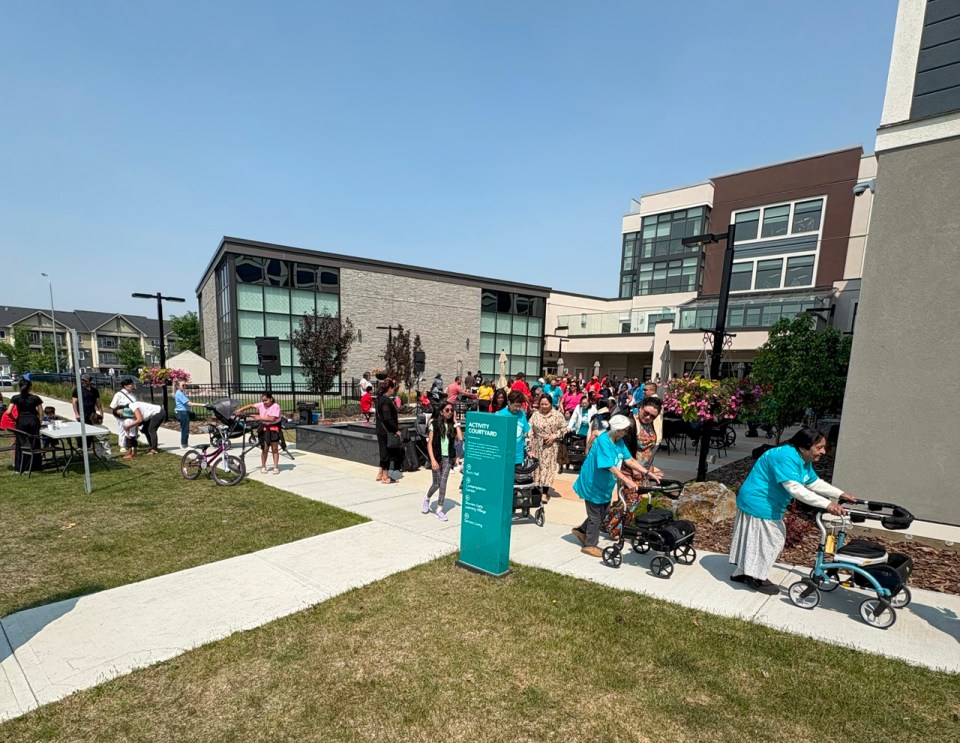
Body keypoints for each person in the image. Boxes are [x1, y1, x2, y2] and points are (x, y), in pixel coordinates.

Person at [729, 427, 855, 594]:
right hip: (758, 501)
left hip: (765, 503)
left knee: (757, 540)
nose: (823, 451)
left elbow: (812, 482)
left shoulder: (802, 459)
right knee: (772, 541)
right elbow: (795, 488)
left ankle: (741, 573)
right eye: (819, 447)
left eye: (824, 447)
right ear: (803, 446)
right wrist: (827, 505)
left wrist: (840, 494)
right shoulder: (785, 457)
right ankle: (756, 577)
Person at [572, 414, 661, 557]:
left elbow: (629, 460)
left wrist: (647, 473)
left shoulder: (618, 441)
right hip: (592, 482)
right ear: (617, 430)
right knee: (595, 516)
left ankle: (582, 531)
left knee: (604, 511)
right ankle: (589, 545)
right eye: (624, 430)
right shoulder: (603, 441)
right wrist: (628, 481)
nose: (626, 433)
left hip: (604, 483)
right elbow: (610, 466)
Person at [422, 401, 463, 522]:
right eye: (447, 410)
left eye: (451, 410)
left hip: (447, 458)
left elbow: (460, 438)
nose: (450, 412)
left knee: (443, 483)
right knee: (436, 484)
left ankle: (439, 509)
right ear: (441, 412)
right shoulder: (434, 424)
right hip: (437, 457)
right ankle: (427, 498)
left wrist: (456, 422)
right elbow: (429, 444)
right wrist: (433, 460)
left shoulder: (451, 425)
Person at [528, 395, 567, 498]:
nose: (544, 406)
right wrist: (530, 440)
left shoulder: (557, 415)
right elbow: (529, 427)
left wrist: (554, 436)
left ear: (551, 404)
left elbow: (564, 429)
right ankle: (536, 489)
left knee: (548, 468)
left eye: (546, 404)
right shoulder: (536, 414)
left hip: (551, 445)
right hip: (537, 445)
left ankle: (545, 492)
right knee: (537, 468)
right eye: (542, 404)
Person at [237, 393, 282, 474]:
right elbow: (251, 405)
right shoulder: (261, 405)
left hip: (273, 428)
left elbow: (272, 419)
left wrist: (259, 417)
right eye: (263, 400)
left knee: (274, 448)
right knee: (265, 448)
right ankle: (263, 466)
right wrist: (240, 410)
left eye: (266, 400)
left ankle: (276, 467)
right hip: (264, 428)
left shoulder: (276, 406)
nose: (264, 402)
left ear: (271, 399)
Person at [11, 379, 44, 472]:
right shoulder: (35, 398)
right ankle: (34, 466)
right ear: (30, 388)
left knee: (21, 443)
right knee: (34, 443)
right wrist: (40, 423)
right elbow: (41, 412)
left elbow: (9, 411)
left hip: (21, 420)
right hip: (33, 420)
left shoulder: (15, 398)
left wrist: (15, 419)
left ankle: (20, 466)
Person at [375, 378, 403, 483]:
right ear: (389, 388)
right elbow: (387, 418)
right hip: (385, 430)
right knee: (386, 452)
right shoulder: (386, 400)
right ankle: (385, 477)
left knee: (383, 450)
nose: (393, 391)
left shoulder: (379, 399)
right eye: (393, 389)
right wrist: (395, 430)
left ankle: (380, 473)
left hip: (380, 429)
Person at [495, 389, 530, 465]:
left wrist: (529, 450)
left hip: (518, 457)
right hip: (503, 456)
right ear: (509, 402)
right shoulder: (500, 415)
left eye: (519, 406)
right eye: (515, 406)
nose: (517, 409)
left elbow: (526, 434)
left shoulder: (522, 414)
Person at [108, 378, 138, 453]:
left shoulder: (131, 394)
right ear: (125, 386)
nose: (132, 386)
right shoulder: (119, 394)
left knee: (132, 430)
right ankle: (122, 445)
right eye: (131, 384)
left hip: (131, 415)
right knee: (122, 429)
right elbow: (113, 406)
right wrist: (120, 412)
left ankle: (131, 445)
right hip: (122, 415)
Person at [173, 380, 204, 449]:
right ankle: (184, 445)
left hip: (183, 412)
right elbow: (189, 404)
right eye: (183, 385)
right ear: (178, 386)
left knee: (185, 429)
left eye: (185, 385)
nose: (184, 387)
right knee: (185, 429)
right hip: (182, 413)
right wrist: (202, 405)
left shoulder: (181, 393)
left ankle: (184, 444)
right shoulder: (179, 393)